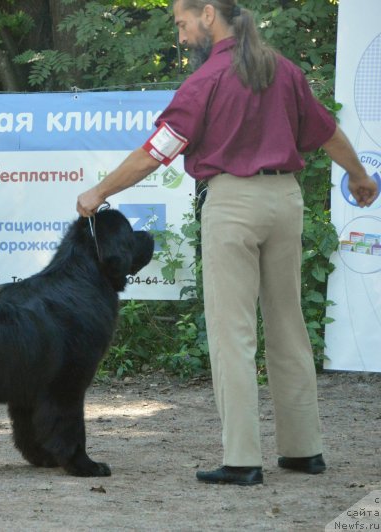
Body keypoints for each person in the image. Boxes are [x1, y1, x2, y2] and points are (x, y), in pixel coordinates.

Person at [76, 0, 379, 486]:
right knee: (288, 324)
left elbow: (156, 152)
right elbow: (327, 132)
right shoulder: (281, 70)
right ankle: (304, 451)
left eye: (182, 23)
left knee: (232, 332)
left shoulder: (204, 81)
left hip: (233, 202)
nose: (180, 36)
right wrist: (360, 176)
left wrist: (100, 191)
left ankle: (242, 459)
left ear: (209, 13)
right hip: (286, 199)